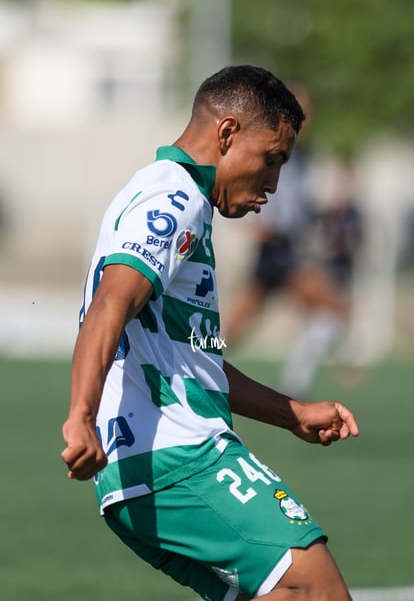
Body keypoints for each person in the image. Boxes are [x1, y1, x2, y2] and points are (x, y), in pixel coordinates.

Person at [61, 65, 359, 601]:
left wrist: (292, 413)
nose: (273, 184)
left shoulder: (179, 200)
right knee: (318, 590)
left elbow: (192, 363)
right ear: (226, 134)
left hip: (144, 475)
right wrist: (80, 415)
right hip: (179, 460)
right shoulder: (174, 199)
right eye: (271, 160)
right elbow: (109, 304)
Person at [223, 86, 362, 400]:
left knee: (325, 309)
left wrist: (321, 218)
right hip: (276, 249)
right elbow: (241, 184)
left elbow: (299, 203)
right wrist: (250, 223)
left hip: (287, 248)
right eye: (298, 109)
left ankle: (294, 381)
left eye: (307, 112)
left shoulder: (303, 156)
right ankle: (194, 356)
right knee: (332, 306)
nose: (304, 118)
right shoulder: (268, 148)